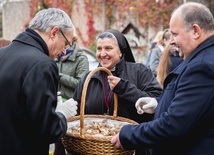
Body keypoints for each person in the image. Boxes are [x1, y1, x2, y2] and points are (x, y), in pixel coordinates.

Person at [111, 2, 214, 155]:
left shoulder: (202, 67)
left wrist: (128, 134)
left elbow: (174, 125)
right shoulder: (201, 58)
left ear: (195, 31)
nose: (171, 40)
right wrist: (159, 104)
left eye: (175, 34)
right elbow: (192, 108)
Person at [71, 29, 162, 155]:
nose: (102, 54)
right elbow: (74, 117)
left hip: (132, 148)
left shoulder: (140, 72)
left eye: (108, 48)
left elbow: (157, 102)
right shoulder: (88, 79)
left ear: (120, 52)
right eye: (99, 49)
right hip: (94, 150)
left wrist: (124, 88)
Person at [0, 8, 78, 155]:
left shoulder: (2, 53)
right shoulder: (42, 64)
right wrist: (61, 114)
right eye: (66, 43)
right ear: (54, 32)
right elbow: (47, 130)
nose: (64, 51)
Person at [56, 35, 89, 100]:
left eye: (66, 44)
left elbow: (81, 84)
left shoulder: (81, 59)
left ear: (72, 41)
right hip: (55, 100)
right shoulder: (56, 55)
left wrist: (59, 76)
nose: (64, 47)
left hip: (72, 102)